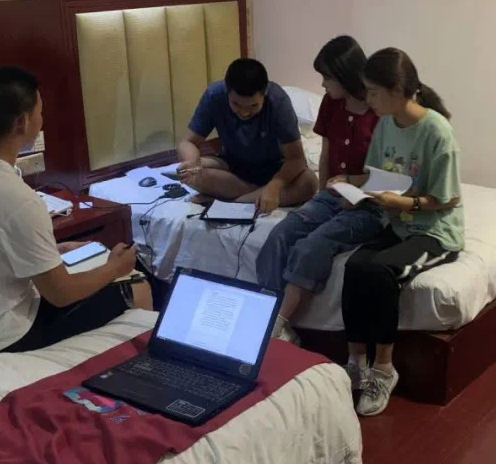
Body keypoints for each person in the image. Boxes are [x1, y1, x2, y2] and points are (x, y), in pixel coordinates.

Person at [0, 66, 142, 353]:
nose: (42, 119)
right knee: (137, 286)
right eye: (40, 112)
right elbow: (61, 294)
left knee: (80, 262)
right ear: (22, 122)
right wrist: (115, 267)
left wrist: (50, 251)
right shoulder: (17, 198)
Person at [338, 48, 465, 416]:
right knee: (354, 267)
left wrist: (403, 203)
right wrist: (351, 188)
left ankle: (383, 369)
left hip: (434, 230)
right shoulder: (385, 125)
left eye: (373, 92)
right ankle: (356, 362)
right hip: (397, 221)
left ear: (397, 90)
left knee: (380, 271)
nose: (368, 99)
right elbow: (378, 177)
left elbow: (448, 198)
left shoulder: (437, 131)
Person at [255, 36, 384, 347]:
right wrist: (322, 197)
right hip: (332, 194)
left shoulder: (380, 112)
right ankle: (265, 312)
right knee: (280, 235)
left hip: (370, 203)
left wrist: (354, 191)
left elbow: (386, 175)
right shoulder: (331, 103)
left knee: (312, 245)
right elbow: (326, 154)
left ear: (345, 75)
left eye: (327, 77)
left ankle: (278, 325)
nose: (323, 84)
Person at [175, 58, 317, 213]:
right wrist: (192, 162)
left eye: (253, 105)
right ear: (227, 91)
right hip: (233, 168)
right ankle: (255, 195)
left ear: (264, 94)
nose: (244, 112)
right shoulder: (214, 95)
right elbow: (187, 142)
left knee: (309, 183)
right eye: (236, 104)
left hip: (275, 170)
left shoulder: (278, 101)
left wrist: (274, 186)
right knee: (191, 175)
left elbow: (296, 159)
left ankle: (234, 202)